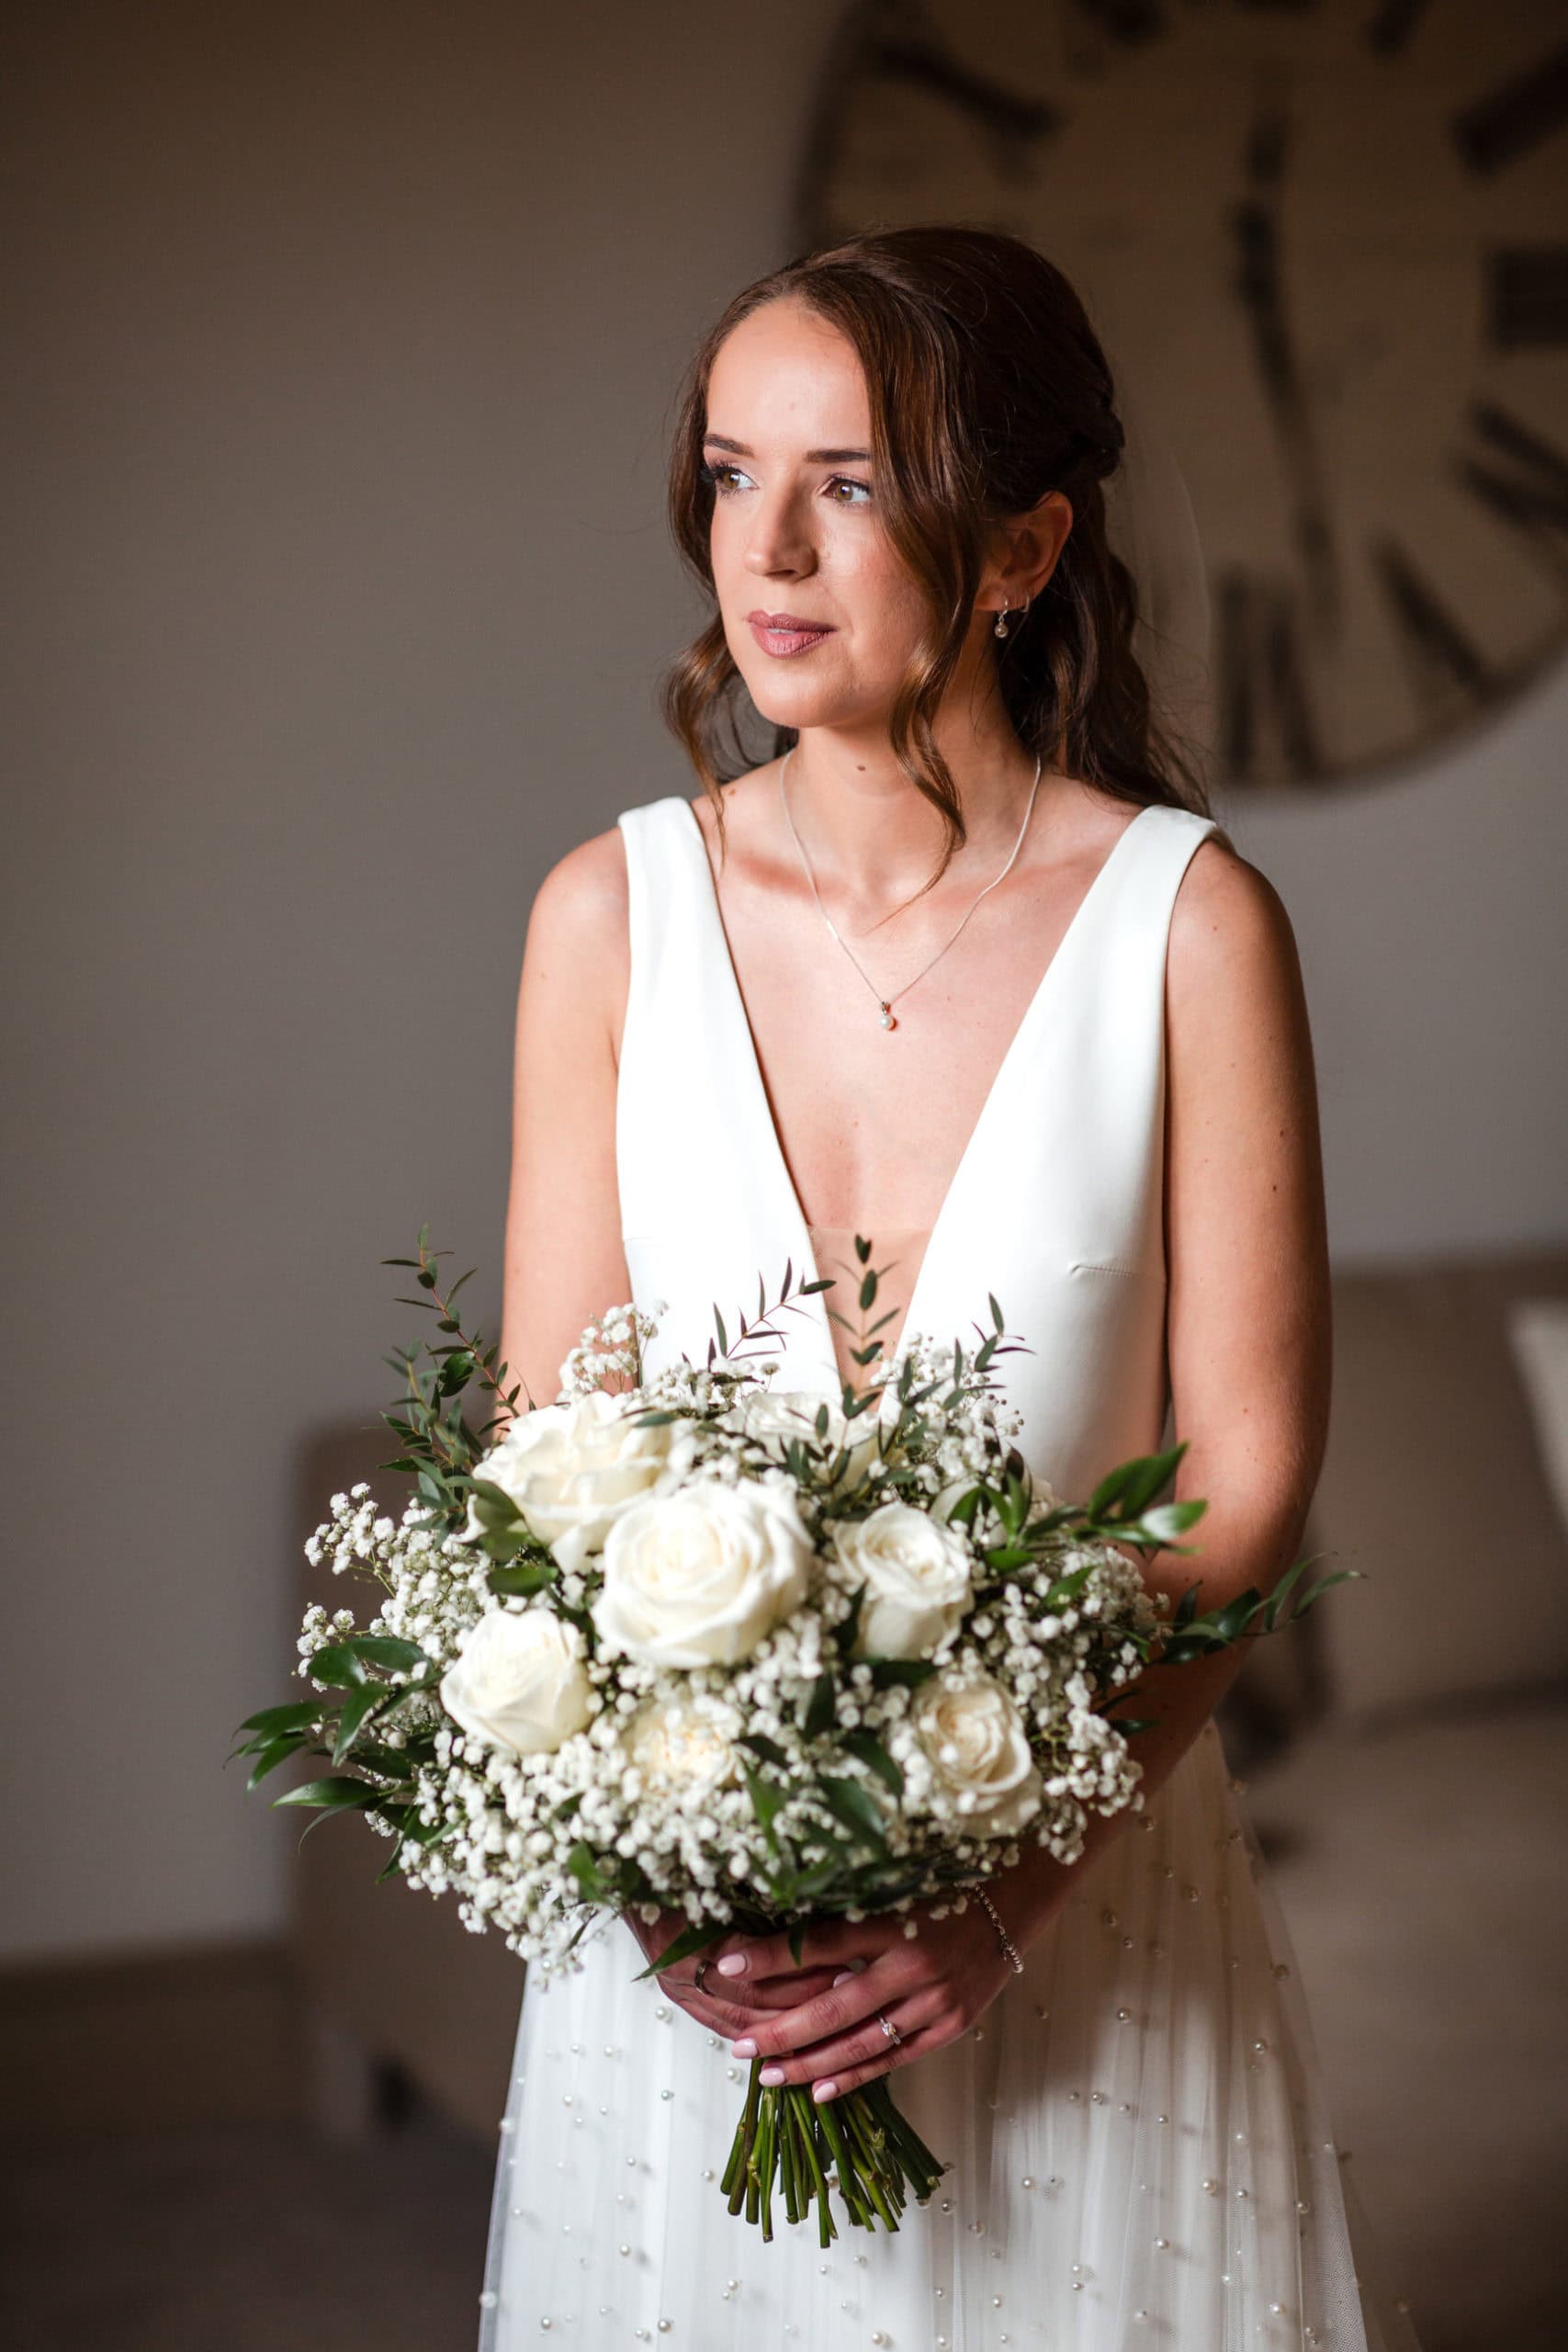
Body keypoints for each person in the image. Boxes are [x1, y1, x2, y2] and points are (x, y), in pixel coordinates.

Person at [476, 226, 1420, 2349]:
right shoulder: (603, 920)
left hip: (1082, 1917)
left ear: (1014, 546)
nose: (769, 549)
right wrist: (664, 1873)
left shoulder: (1188, 930)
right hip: (697, 1963)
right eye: (732, 474)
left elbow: (1244, 1500)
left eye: (847, 481)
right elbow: (550, 1461)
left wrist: (1008, 1899)